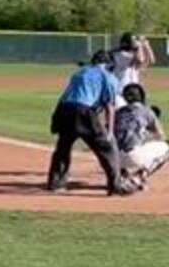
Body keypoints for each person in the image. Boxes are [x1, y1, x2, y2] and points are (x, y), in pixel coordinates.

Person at [47, 51, 132, 195]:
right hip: (84, 111)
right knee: (106, 148)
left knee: (63, 147)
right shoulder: (108, 77)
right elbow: (109, 106)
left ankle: (56, 183)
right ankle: (115, 185)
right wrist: (109, 132)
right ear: (109, 64)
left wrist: (56, 117)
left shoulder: (79, 73)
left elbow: (65, 96)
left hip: (65, 109)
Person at [114, 83, 169, 191]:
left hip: (112, 159)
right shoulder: (146, 111)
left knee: (119, 144)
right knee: (168, 148)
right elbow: (160, 136)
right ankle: (139, 177)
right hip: (133, 156)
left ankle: (122, 175)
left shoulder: (117, 112)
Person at [110, 32, 154, 107]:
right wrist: (139, 46)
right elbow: (140, 59)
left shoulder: (133, 56)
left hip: (134, 92)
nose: (135, 42)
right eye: (133, 41)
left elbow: (151, 60)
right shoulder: (121, 55)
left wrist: (147, 46)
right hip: (121, 93)